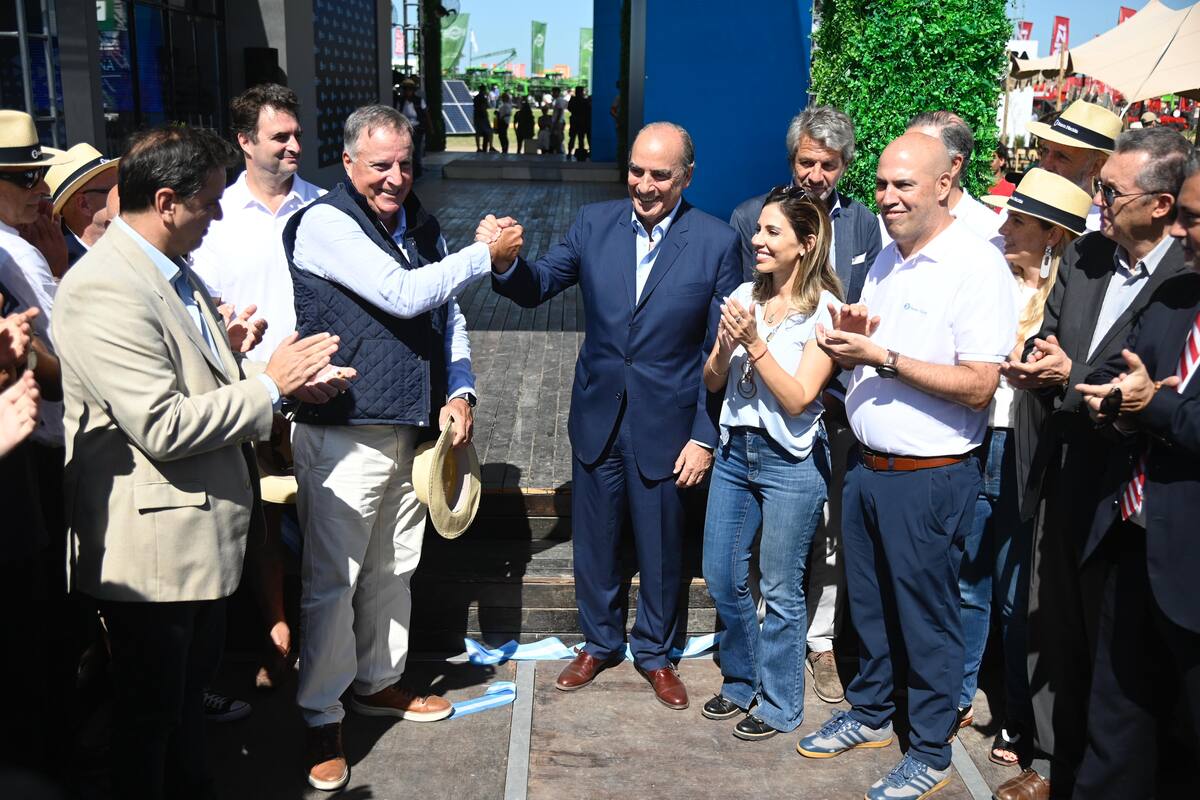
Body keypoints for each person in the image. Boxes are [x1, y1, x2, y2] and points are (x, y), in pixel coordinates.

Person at [51, 124, 349, 800]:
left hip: (195, 542)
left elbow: (204, 382)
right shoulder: (106, 287)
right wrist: (270, 385)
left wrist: (284, 383)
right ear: (165, 201)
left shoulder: (169, 269)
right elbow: (160, 424)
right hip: (151, 557)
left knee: (183, 710)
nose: (217, 218)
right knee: (151, 720)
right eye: (210, 203)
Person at [284, 104, 522, 792]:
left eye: (404, 163)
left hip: (410, 426)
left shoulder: (416, 222)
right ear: (349, 162)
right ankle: (319, 716)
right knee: (334, 581)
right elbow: (403, 293)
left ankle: (379, 682)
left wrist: (463, 388)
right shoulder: (326, 223)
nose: (394, 177)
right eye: (380, 165)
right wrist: (486, 255)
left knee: (394, 566)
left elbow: (448, 315)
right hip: (343, 431)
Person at [489, 122, 742, 711]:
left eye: (660, 174)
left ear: (686, 176)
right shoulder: (592, 224)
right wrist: (505, 264)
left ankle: (656, 654)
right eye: (636, 170)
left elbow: (721, 350)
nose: (645, 184)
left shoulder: (715, 241)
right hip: (598, 414)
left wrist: (705, 437)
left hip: (669, 424)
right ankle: (598, 644)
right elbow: (538, 286)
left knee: (661, 550)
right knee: (595, 546)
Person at [798, 132, 1017, 800]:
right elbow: (883, 344)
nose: (886, 198)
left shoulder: (975, 266)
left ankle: (928, 750)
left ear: (946, 184)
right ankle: (869, 714)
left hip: (929, 474)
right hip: (869, 467)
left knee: (926, 619)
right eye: (882, 184)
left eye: (904, 186)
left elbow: (980, 384)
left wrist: (882, 358)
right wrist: (857, 337)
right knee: (869, 607)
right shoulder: (891, 258)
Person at [996, 127, 1192, 800]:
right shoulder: (1083, 257)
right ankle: (1056, 764)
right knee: (1055, 629)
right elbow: (1051, 331)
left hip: (1131, 493)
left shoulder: (1183, 280)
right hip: (1062, 469)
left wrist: (1072, 373)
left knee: (1116, 661)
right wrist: (1039, 362)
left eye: (1110, 189)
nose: (1095, 199)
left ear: (1162, 206)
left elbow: (1150, 384)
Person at [728, 105, 881, 705]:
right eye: (805, 161)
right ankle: (766, 646)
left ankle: (818, 644)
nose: (815, 174)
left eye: (828, 164)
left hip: (840, 403)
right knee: (763, 538)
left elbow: (865, 302)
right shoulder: (754, 218)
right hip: (766, 402)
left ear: (844, 167)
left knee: (827, 534)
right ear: (791, 160)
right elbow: (746, 298)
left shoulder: (865, 226)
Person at [1068, 149, 1200, 799]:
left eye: (1195, 219)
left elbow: (1163, 403)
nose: (1180, 232)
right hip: (1130, 535)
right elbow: (1109, 379)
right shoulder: (1176, 295)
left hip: (1193, 559)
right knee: (1116, 721)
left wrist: (1160, 407)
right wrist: (1121, 410)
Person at [961, 170, 1091, 768]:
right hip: (976, 438)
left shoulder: (1075, 292)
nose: (1004, 227)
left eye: (1018, 221)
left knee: (1016, 589)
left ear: (1052, 236)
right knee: (968, 576)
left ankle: (1016, 715)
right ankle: (960, 694)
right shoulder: (987, 274)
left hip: (1026, 448)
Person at [700, 186, 840, 740]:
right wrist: (723, 348)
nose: (756, 239)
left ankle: (780, 704)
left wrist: (754, 344)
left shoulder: (826, 311)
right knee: (721, 574)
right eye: (758, 229)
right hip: (737, 452)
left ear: (805, 244)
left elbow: (802, 397)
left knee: (781, 588)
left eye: (771, 232)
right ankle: (741, 681)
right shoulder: (743, 295)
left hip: (792, 461)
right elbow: (713, 381)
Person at [192, 83, 324, 362]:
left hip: (322, 378)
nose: (295, 147)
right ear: (245, 141)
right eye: (281, 137)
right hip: (250, 383)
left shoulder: (325, 208)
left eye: (297, 135)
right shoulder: (216, 215)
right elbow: (208, 306)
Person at [893, 110, 1004, 249]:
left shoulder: (989, 233)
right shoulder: (885, 225)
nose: (904, 160)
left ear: (954, 164)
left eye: (920, 153)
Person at [1027, 101, 1123, 233]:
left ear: (1095, 167)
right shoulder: (1016, 211)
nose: (1045, 165)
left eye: (1061, 156)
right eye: (1044, 151)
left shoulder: (1102, 230)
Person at [44, 143, 118, 268]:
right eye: (114, 191)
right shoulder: (62, 265)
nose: (126, 196)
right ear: (84, 205)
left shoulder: (133, 247)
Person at [395, 78, 431, 178]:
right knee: (406, 151)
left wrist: (429, 128)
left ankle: (417, 172)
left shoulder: (419, 101)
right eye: (405, 89)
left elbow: (426, 114)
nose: (407, 91)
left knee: (416, 151)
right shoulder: (401, 101)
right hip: (404, 130)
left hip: (417, 129)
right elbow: (397, 115)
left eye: (410, 89)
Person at [568, 86, 591, 154]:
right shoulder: (584, 101)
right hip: (582, 122)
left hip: (574, 121)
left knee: (572, 138)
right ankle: (581, 153)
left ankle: (569, 152)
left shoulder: (572, 100)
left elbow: (569, 108)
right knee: (581, 138)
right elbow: (588, 110)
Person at [473, 87, 494, 153]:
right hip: (483, 117)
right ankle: (490, 146)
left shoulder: (475, 98)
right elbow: (487, 106)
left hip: (476, 116)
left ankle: (478, 148)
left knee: (478, 133)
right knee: (489, 131)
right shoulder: (483, 98)